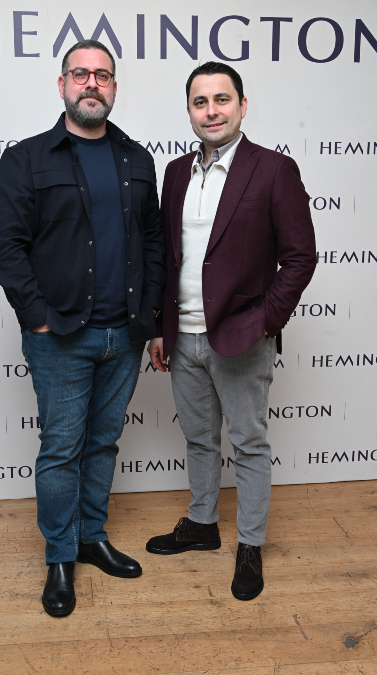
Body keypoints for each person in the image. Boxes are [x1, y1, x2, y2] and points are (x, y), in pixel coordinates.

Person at [0, 39, 166, 617]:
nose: (92, 83)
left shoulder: (137, 159)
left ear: (114, 87)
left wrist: (152, 319)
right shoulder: (26, 159)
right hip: (60, 335)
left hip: (126, 335)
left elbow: (154, 243)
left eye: (103, 75)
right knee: (62, 449)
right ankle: (60, 556)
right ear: (62, 84)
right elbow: (5, 247)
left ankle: (91, 537)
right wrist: (38, 317)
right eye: (81, 74)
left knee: (103, 443)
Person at [147, 62, 316, 601]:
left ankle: (250, 544)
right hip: (183, 336)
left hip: (243, 337)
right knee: (199, 438)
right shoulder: (175, 172)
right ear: (189, 111)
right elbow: (167, 257)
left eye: (222, 99)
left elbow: (300, 256)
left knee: (248, 444)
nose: (212, 111)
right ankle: (202, 524)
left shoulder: (273, 170)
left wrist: (266, 321)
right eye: (200, 102)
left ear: (242, 106)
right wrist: (159, 327)